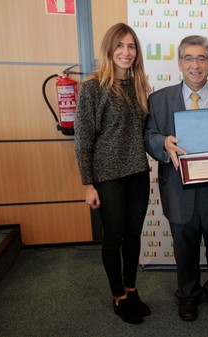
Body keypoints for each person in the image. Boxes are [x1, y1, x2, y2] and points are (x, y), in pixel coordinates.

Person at [144, 35, 208, 322]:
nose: (195, 65)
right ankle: (188, 296)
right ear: (179, 63)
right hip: (179, 190)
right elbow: (148, 136)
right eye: (188, 58)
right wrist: (163, 143)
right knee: (184, 249)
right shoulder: (159, 99)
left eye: (201, 58)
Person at [74, 23, 151, 325]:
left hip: (138, 172)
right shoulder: (93, 87)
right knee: (114, 237)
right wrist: (88, 184)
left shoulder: (141, 86)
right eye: (120, 46)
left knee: (133, 235)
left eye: (131, 46)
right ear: (109, 49)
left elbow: (147, 132)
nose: (126, 52)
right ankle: (118, 295)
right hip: (108, 175)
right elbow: (83, 139)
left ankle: (131, 290)